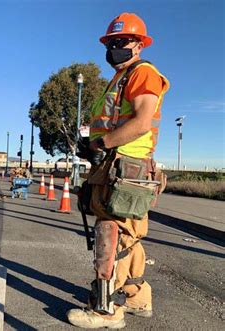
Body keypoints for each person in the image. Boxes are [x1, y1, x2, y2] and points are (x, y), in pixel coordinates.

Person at [67, 13, 169, 329]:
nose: (115, 48)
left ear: (139, 44)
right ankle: (137, 298)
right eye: (111, 43)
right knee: (129, 236)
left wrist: (101, 144)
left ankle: (106, 310)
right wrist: (93, 144)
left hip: (127, 169)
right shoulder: (121, 78)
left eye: (121, 41)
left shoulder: (143, 73)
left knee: (113, 235)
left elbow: (140, 122)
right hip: (121, 168)